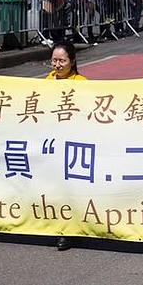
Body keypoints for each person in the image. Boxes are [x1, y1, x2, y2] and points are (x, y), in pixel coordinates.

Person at [45, 41, 88, 250]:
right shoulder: (47, 81)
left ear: (72, 61)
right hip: (51, 144)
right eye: (54, 60)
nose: (58, 65)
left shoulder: (82, 82)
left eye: (62, 60)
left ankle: (69, 230)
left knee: (70, 189)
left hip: (73, 145)